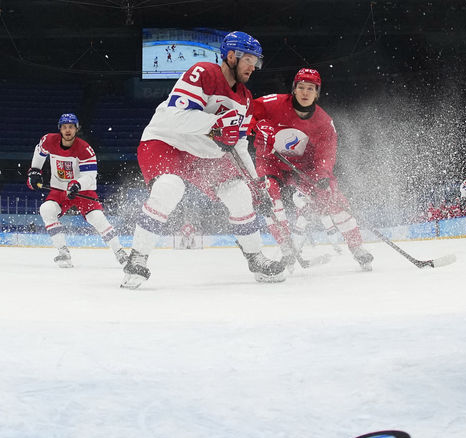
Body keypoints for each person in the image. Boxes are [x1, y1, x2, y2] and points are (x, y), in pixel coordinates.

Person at [122, 31, 286, 289]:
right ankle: (137, 258)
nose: (253, 67)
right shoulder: (204, 73)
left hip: (204, 153)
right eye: (249, 60)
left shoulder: (245, 100)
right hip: (167, 141)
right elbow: (174, 117)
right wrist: (217, 126)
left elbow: (239, 145)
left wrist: (256, 185)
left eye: (257, 61)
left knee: (240, 193)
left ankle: (256, 258)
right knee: (169, 188)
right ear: (231, 56)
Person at [246, 67, 373, 271]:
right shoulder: (272, 104)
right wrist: (255, 129)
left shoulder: (324, 122)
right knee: (270, 196)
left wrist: (322, 176)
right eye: (301, 87)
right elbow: (246, 112)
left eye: (311, 89)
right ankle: (288, 250)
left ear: (317, 93)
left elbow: (326, 154)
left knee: (332, 197)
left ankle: (357, 248)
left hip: (304, 168)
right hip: (271, 161)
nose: (305, 93)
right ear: (294, 89)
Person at [26, 113, 127, 267]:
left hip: (82, 191)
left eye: (71, 127)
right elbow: (39, 153)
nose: (68, 130)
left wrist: (77, 185)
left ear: (76, 129)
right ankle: (63, 252)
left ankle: (120, 251)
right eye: (65, 127)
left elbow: (90, 175)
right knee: (46, 209)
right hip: (59, 189)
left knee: (97, 218)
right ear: (60, 129)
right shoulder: (48, 140)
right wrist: (34, 171)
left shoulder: (85, 149)